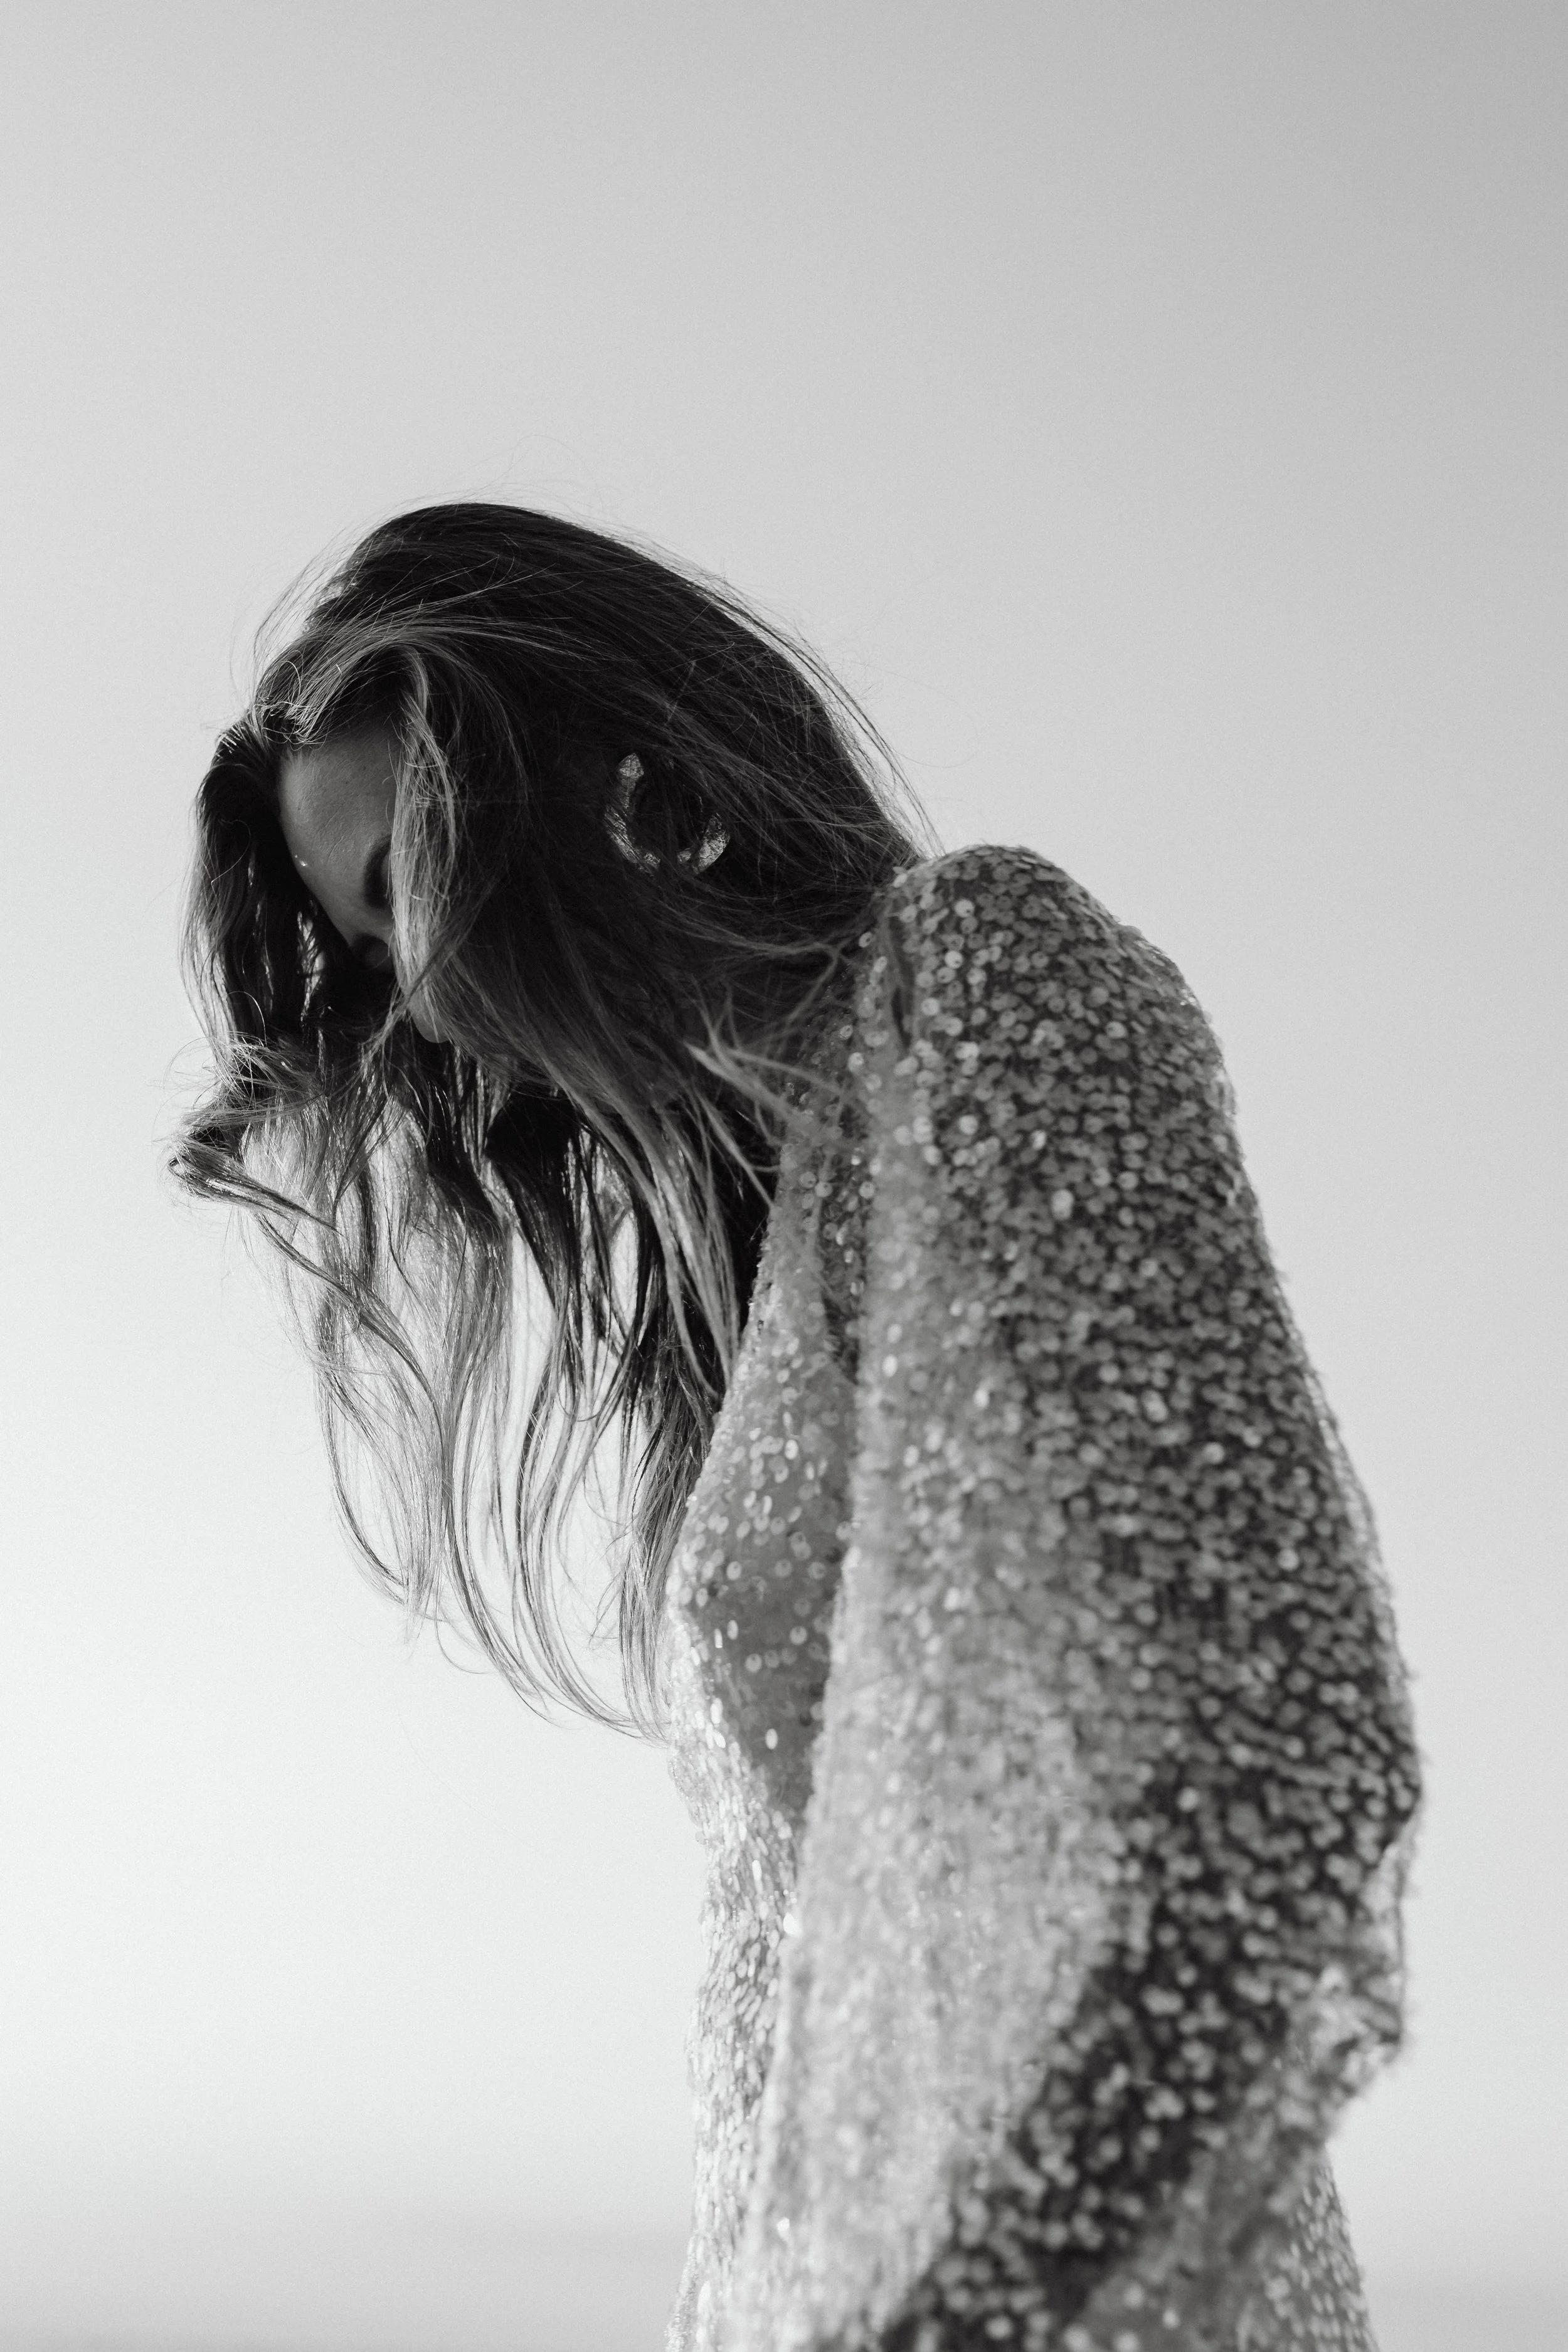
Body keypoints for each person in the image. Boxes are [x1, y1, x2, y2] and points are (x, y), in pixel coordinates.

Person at [175, 503, 1419, 2352]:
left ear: (609, 762)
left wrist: (957, 2320)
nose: (420, 997)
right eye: (369, 949)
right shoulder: (761, 1292)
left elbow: (1281, 1772)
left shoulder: (988, 986)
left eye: (415, 878)